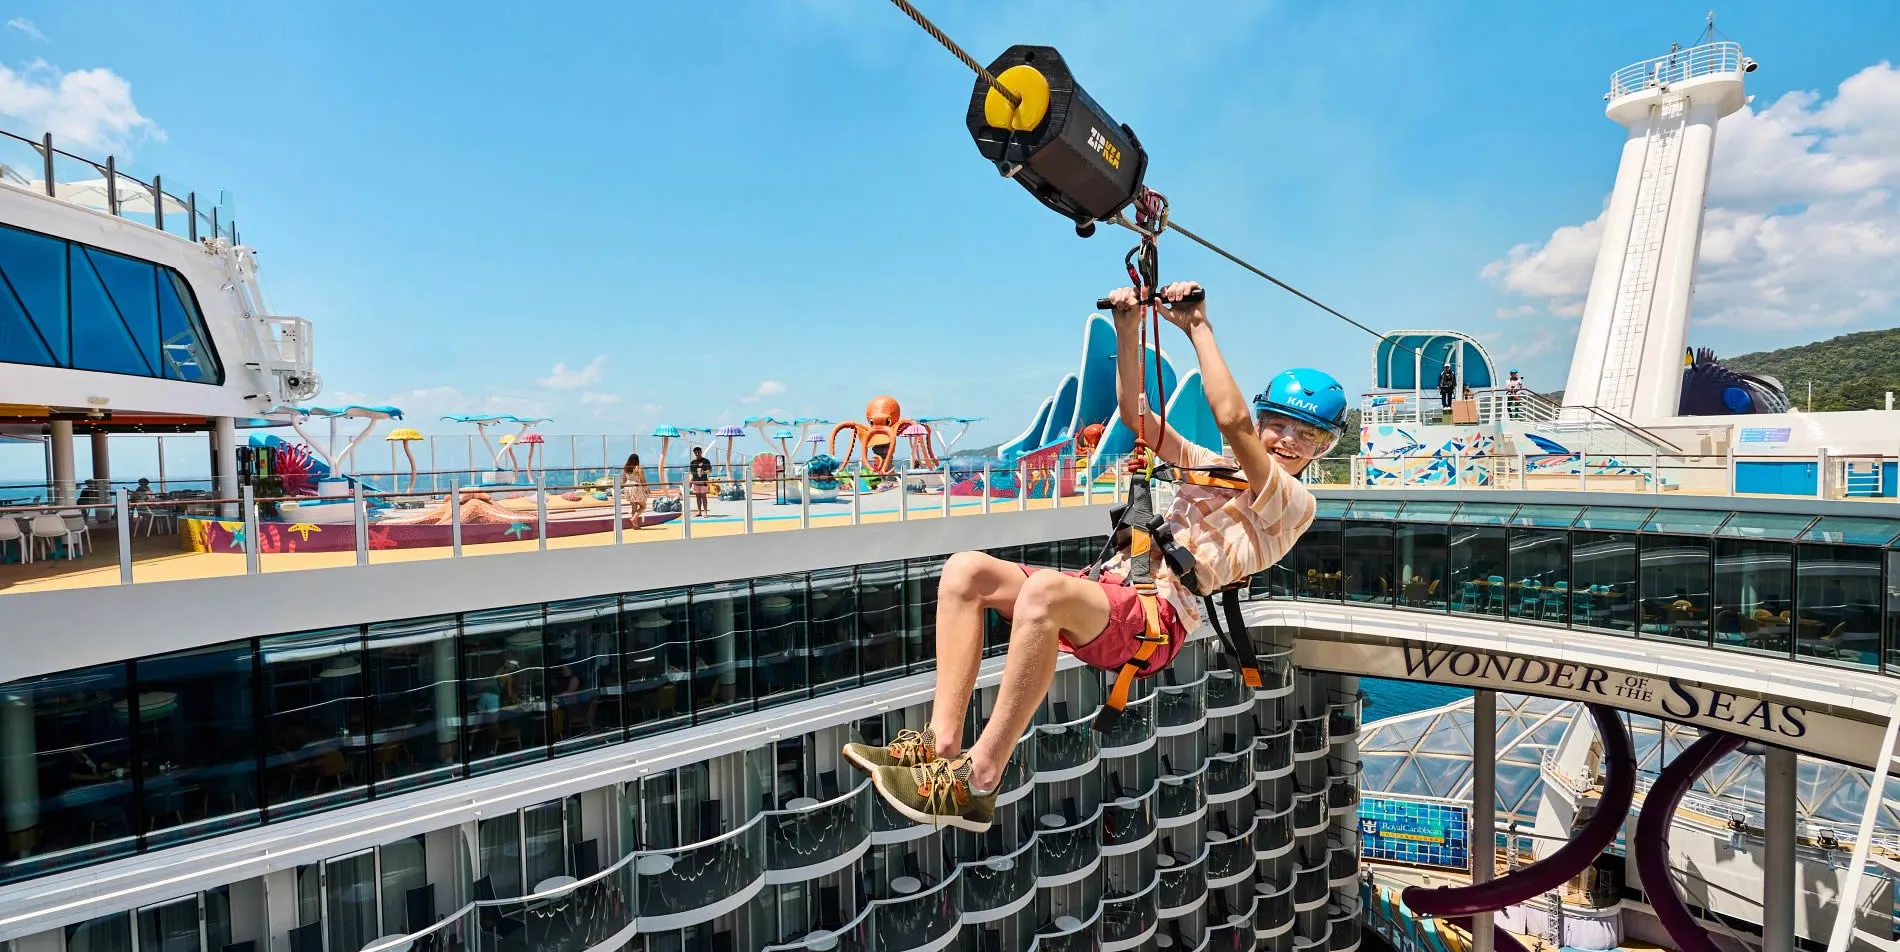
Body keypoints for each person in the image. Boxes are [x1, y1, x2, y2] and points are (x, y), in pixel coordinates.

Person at [844, 281, 1345, 832]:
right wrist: (1129, 331)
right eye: (1280, 425)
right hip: (1111, 591)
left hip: (1156, 619)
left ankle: (979, 780)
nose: (1288, 442)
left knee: (1042, 592)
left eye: (1308, 436)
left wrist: (1198, 327)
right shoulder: (1214, 466)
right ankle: (940, 746)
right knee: (966, 571)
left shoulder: (1292, 503)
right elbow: (1137, 420)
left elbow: (1234, 422)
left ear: (1323, 450)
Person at [620, 453, 649, 527]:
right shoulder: (638, 468)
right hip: (636, 486)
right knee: (643, 506)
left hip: (628, 486)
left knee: (634, 506)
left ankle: (635, 525)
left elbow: (623, 479)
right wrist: (646, 488)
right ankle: (633, 518)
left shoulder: (625, 467)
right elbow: (643, 480)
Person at [688, 446, 713, 516]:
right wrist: (690, 483)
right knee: (697, 497)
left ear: (701, 452)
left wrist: (704, 472)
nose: (697, 453)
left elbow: (710, 470)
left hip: (703, 482)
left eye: (698, 452)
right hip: (695, 482)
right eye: (695, 452)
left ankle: (705, 512)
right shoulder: (692, 462)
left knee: (704, 496)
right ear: (694, 453)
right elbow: (691, 473)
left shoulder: (706, 461)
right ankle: (699, 512)